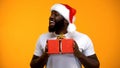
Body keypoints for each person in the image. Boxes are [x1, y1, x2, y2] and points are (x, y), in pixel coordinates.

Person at [30, 3, 100, 68]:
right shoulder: (42, 38)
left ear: (66, 20)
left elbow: (95, 65)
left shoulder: (83, 38)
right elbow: (33, 65)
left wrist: (79, 54)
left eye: (56, 14)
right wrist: (45, 55)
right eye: (51, 14)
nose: (51, 17)